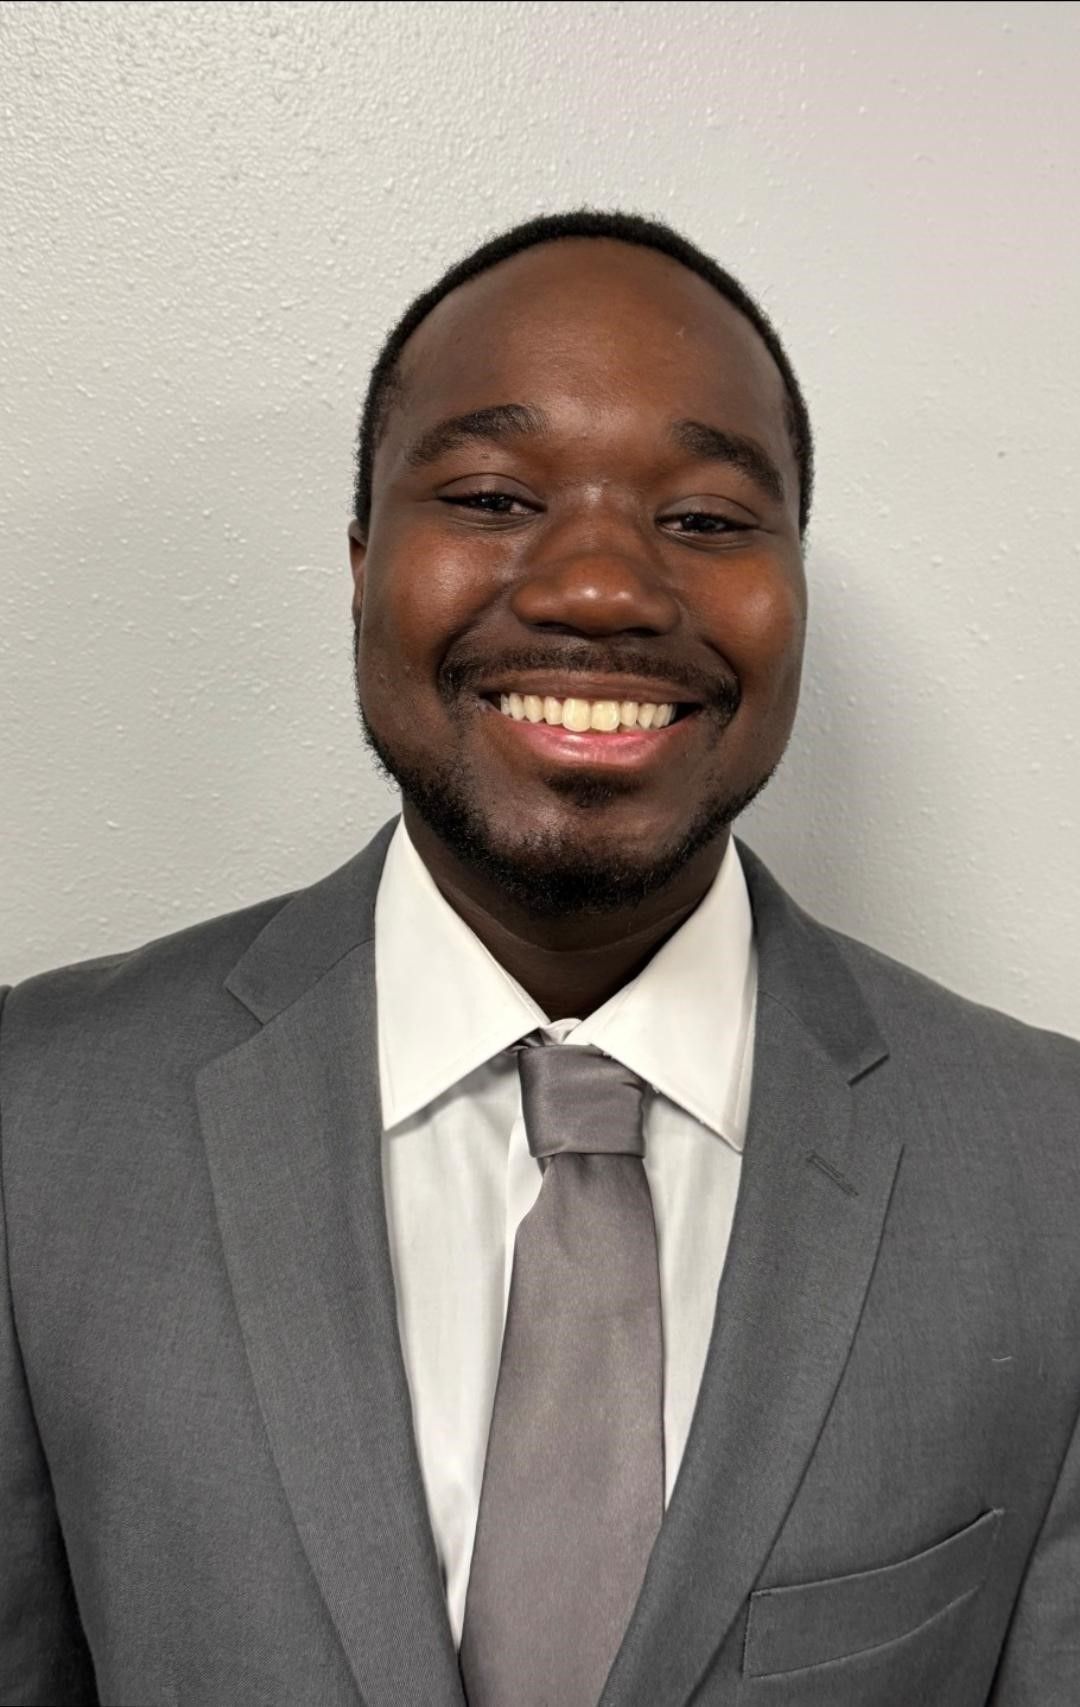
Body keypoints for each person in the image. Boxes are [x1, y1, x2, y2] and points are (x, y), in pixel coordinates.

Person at [1, 209, 1077, 1707]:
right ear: (364, 563)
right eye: (496, 496)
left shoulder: (1051, 1170)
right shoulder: (34, 1125)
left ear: (796, 587)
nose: (598, 587)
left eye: (703, 519)